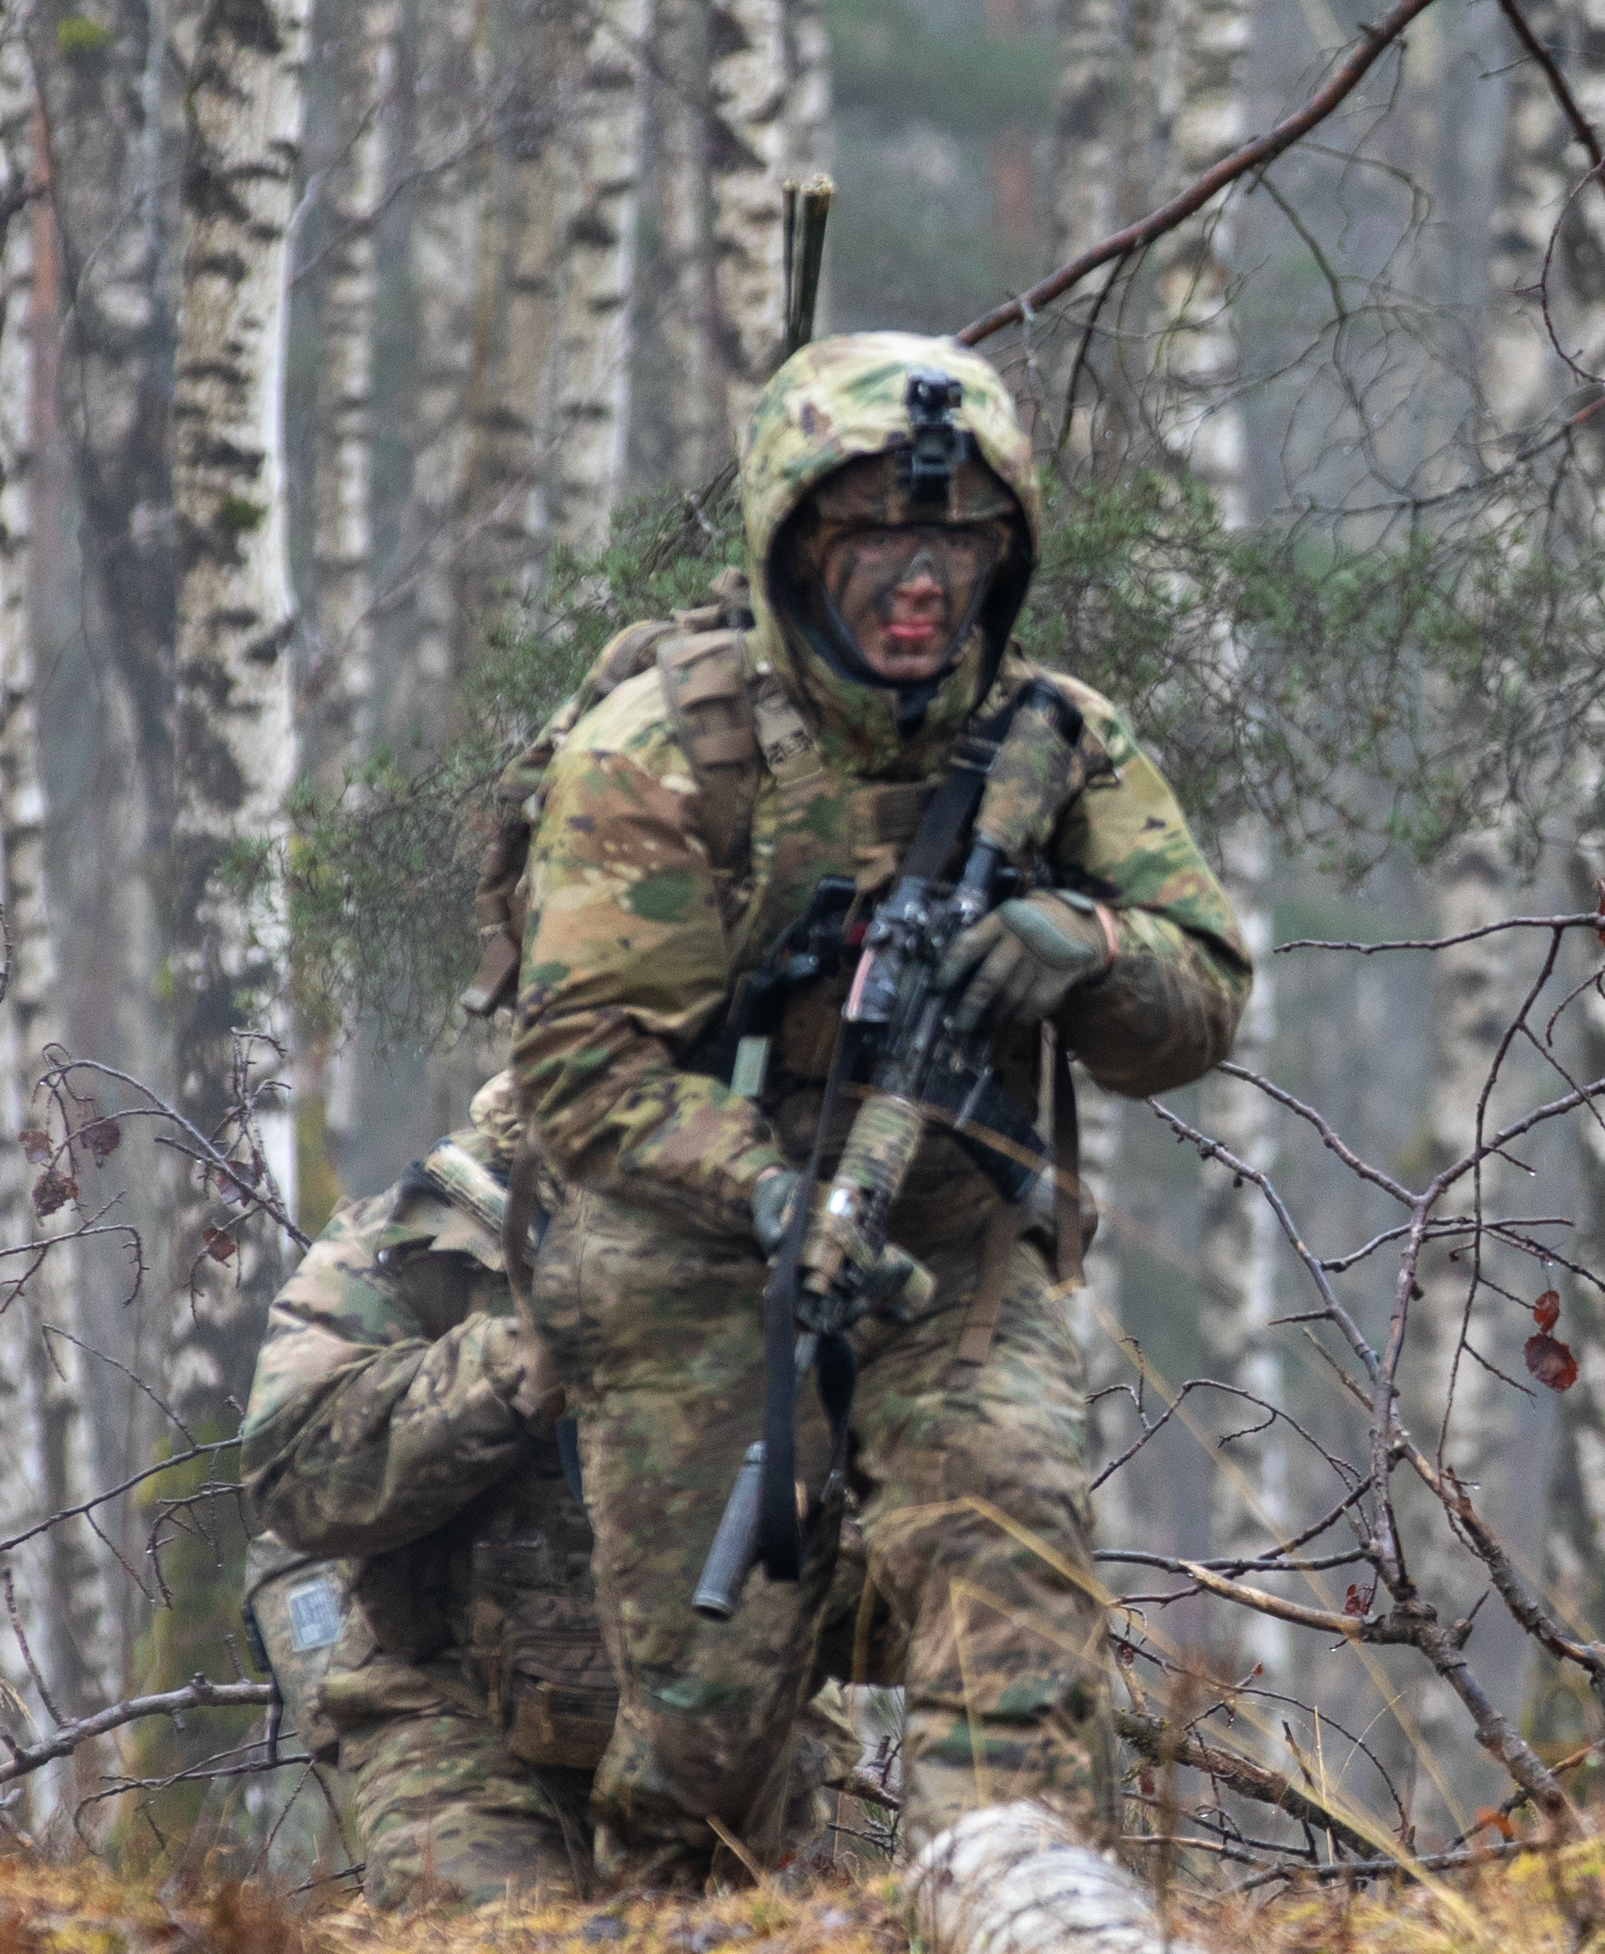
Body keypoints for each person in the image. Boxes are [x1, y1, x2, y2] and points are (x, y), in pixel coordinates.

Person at [506, 332, 1251, 1872]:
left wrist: (1090, 948)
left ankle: (1019, 1929)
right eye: (873, 545)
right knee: (707, 1733)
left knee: (1014, 1547)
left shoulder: (1055, 738)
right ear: (796, 550)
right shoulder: (662, 751)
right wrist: (767, 1192)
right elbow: (580, 1072)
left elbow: (1199, 1001)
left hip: (952, 1242)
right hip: (693, 1262)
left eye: (957, 542)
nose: (920, 584)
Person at [239, 1078, 623, 1904]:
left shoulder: (781, 1222)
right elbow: (291, 1471)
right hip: (457, 1716)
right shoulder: (415, 1236)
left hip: (723, 1729)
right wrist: (513, 1364)